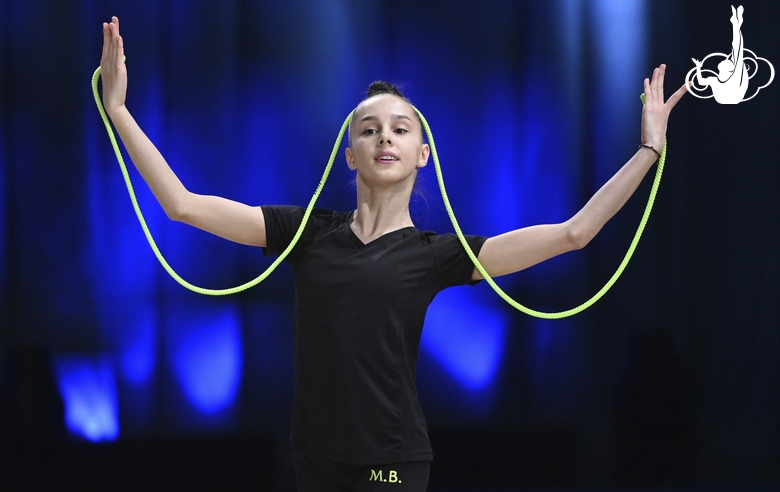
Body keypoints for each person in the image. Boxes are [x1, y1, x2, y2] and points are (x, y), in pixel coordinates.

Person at [100, 15, 687, 492]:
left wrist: (649, 150)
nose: (384, 136)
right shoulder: (305, 232)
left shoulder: (435, 255)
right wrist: (119, 111)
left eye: (400, 128)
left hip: (392, 462)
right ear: (349, 154)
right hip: (314, 458)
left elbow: (574, 233)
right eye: (370, 128)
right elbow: (182, 205)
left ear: (423, 154)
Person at [692, 5, 748, 104]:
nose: (725, 59)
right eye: (728, 60)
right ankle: (736, 24)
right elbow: (701, 82)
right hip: (726, 98)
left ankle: (736, 24)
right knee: (736, 51)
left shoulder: (734, 77)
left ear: (730, 69)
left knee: (737, 51)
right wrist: (698, 67)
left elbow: (737, 49)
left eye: (728, 61)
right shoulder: (714, 80)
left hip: (733, 96)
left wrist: (736, 26)